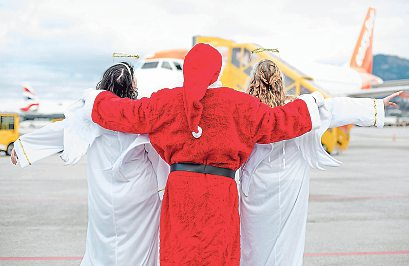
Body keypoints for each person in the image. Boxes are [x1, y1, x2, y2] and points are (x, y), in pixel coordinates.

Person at [84, 43, 323, 265]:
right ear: (217, 71)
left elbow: (127, 114)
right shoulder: (238, 103)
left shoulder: (166, 101)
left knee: (180, 251)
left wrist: (97, 99)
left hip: (180, 189)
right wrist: (310, 103)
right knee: (219, 252)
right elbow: (276, 122)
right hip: (221, 190)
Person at [239, 59, 402, 266]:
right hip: (290, 182)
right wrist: (376, 105)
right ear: (281, 82)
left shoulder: (244, 111)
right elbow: (334, 108)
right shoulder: (299, 108)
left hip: (254, 187)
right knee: (288, 241)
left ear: (254, 81)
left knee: (252, 240)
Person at [11, 62, 169, 266]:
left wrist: (25, 146)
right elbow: (157, 153)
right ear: (132, 87)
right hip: (141, 193)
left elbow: (61, 130)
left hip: (104, 191)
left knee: (101, 242)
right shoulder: (139, 114)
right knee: (141, 243)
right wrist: (165, 189)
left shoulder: (91, 115)